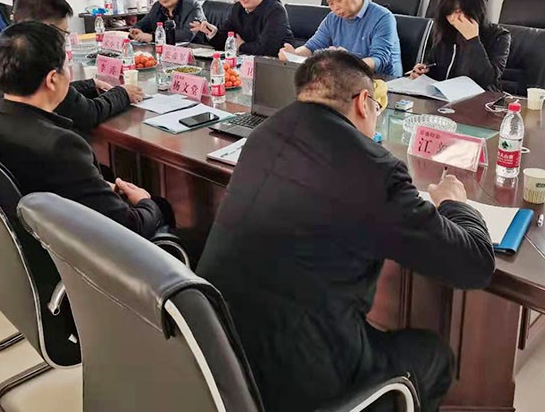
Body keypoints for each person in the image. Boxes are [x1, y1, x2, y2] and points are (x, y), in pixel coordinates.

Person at [198, 50, 495, 412]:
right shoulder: (374, 169)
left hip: (216, 348)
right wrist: (454, 204)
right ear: (363, 102)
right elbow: (473, 265)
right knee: (433, 356)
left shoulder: (264, 134)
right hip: (296, 379)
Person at [0, 21, 170, 237]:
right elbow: (130, 227)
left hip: (29, 230)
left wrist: (97, 186)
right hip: (75, 245)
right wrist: (145, 201)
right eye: (66, 67)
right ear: (52, 79)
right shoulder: (61, 146)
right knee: (162, 207)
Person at [0, 0, 143, 132]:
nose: (63, 39)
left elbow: (62, 97)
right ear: (45, 28)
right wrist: (122, 93)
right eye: (63, 32)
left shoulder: (2, 50)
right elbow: (88, 114)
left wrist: (89, 84)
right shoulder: (36, 58)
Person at [279, 0, 403, 76]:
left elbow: (379, 60)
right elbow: (312, 46)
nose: (335, 8)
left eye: (339, 0)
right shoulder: (333, 18)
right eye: (331, 3)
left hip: (382, 83)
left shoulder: (383, 17)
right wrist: (294, 54)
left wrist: (347, 61)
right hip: (347, 79)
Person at [409, 0, 510, 92]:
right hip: (444, 98)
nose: (453, 18)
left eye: (458, 11)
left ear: (474, 8)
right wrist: (423, 73)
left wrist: (473, 40)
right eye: (449, 11)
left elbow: (487, 80)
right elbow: (436, 67)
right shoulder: (444, 30)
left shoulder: (499, 36)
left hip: (479, 99)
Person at [190, 0, 294, 55]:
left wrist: (241, 46)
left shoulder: (276, 11)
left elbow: (266, 49)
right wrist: (212, 32)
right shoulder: (238, 8)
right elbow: (226, 42)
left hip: (274, 65)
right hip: (245, 63)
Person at [129, 0, 206, 45]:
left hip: (195, 50)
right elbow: (142, 23)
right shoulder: (157, 6)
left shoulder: (193, 7)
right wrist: (135, 30)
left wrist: (154, 37)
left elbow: (186, 35)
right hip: (166, 50)